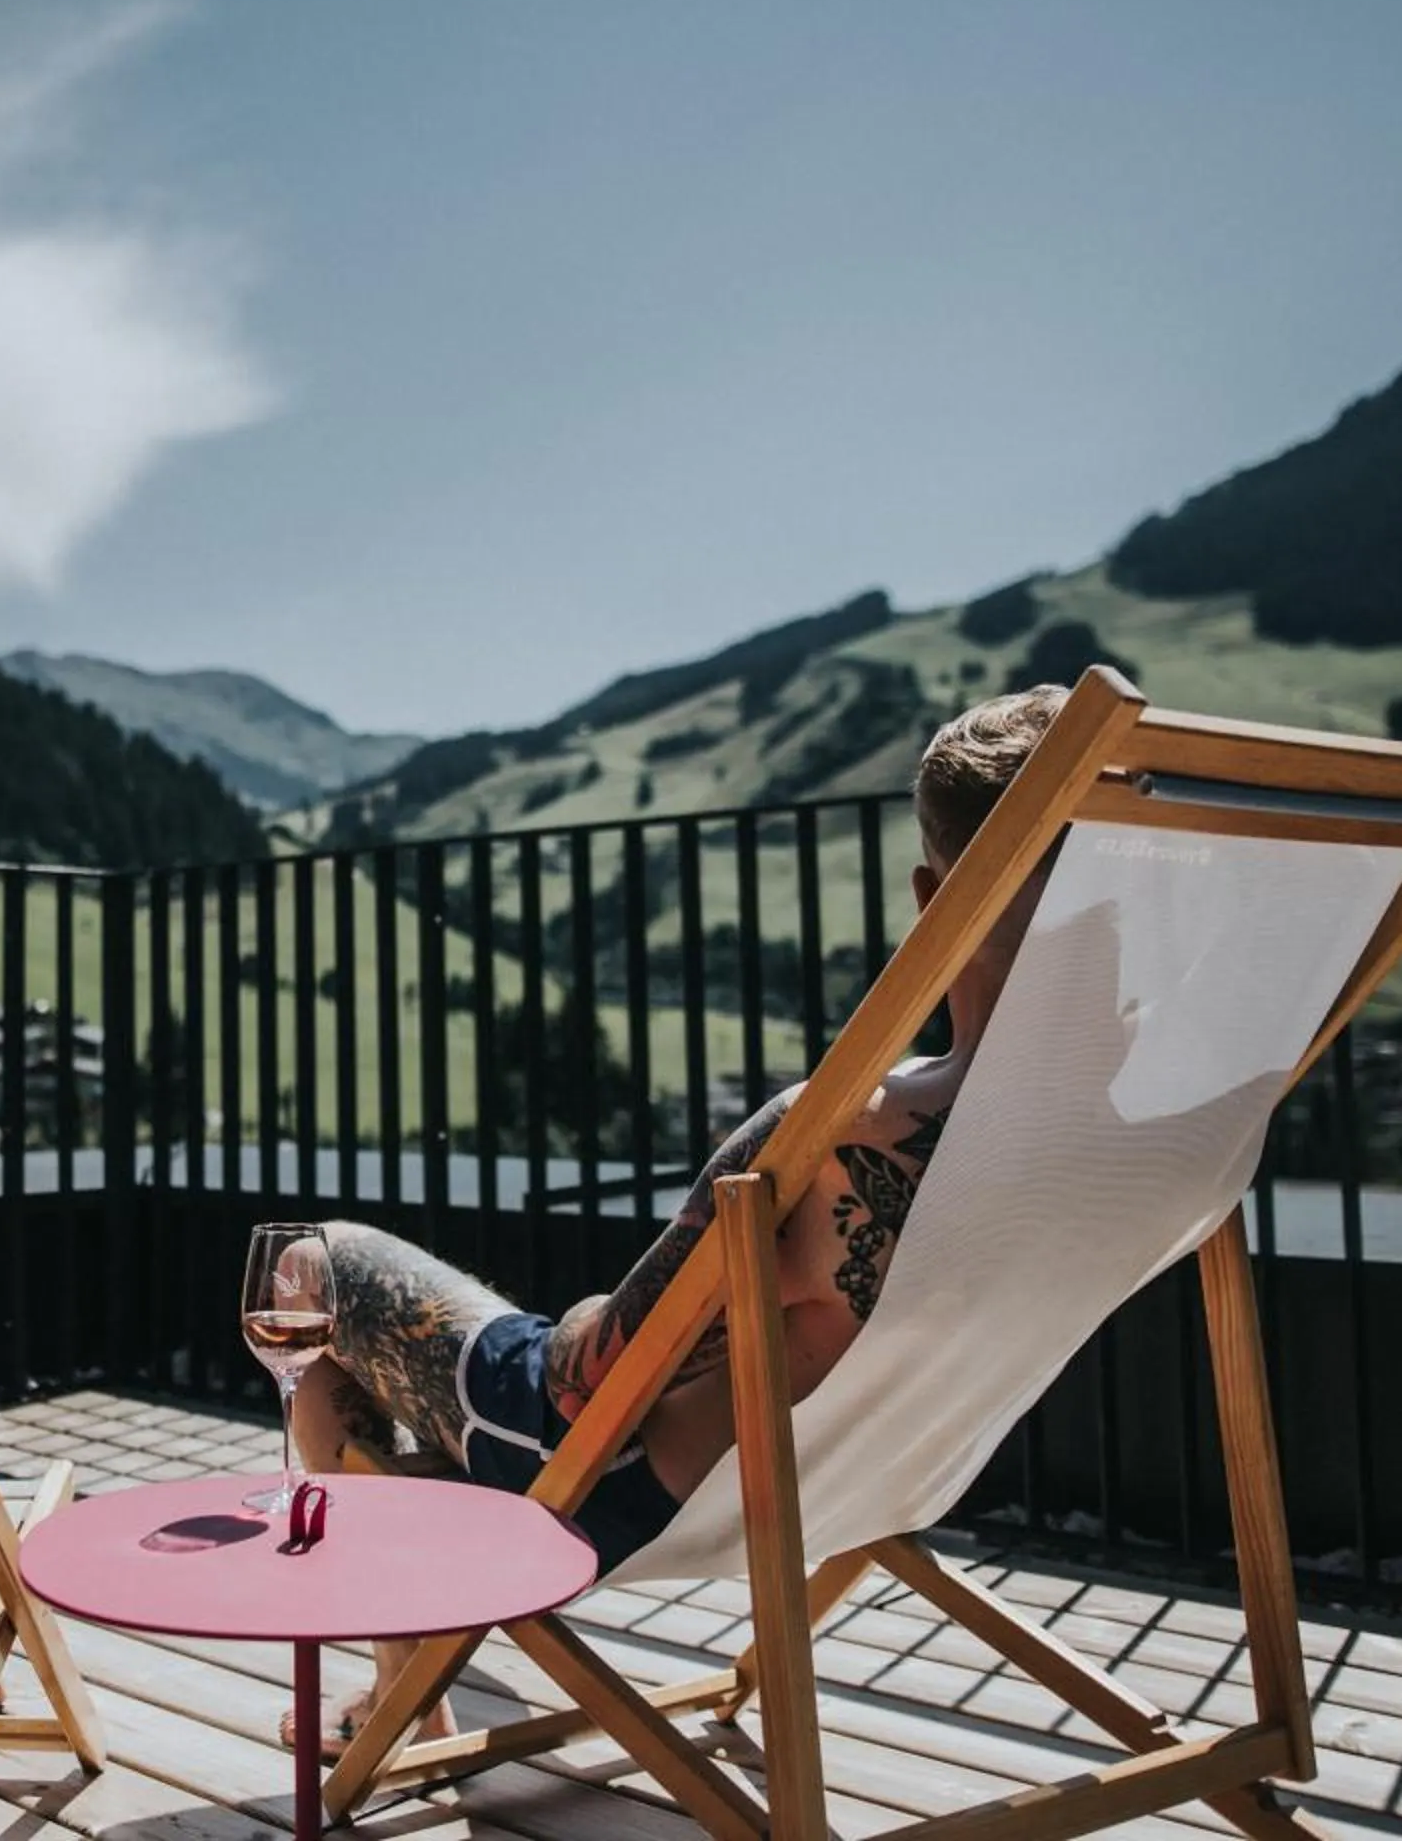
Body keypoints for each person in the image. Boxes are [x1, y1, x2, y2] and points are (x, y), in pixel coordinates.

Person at [280, 685, 1067, 1755]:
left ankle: (398, 1692)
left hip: (615, 1481)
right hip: (877, 1473)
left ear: (935, 897)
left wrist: (602, 1305)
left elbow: (584, 1379)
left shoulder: (841, 1129)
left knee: (319, 1270)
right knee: (390, 1390)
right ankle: (407, 1639)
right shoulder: (1154, 1139)